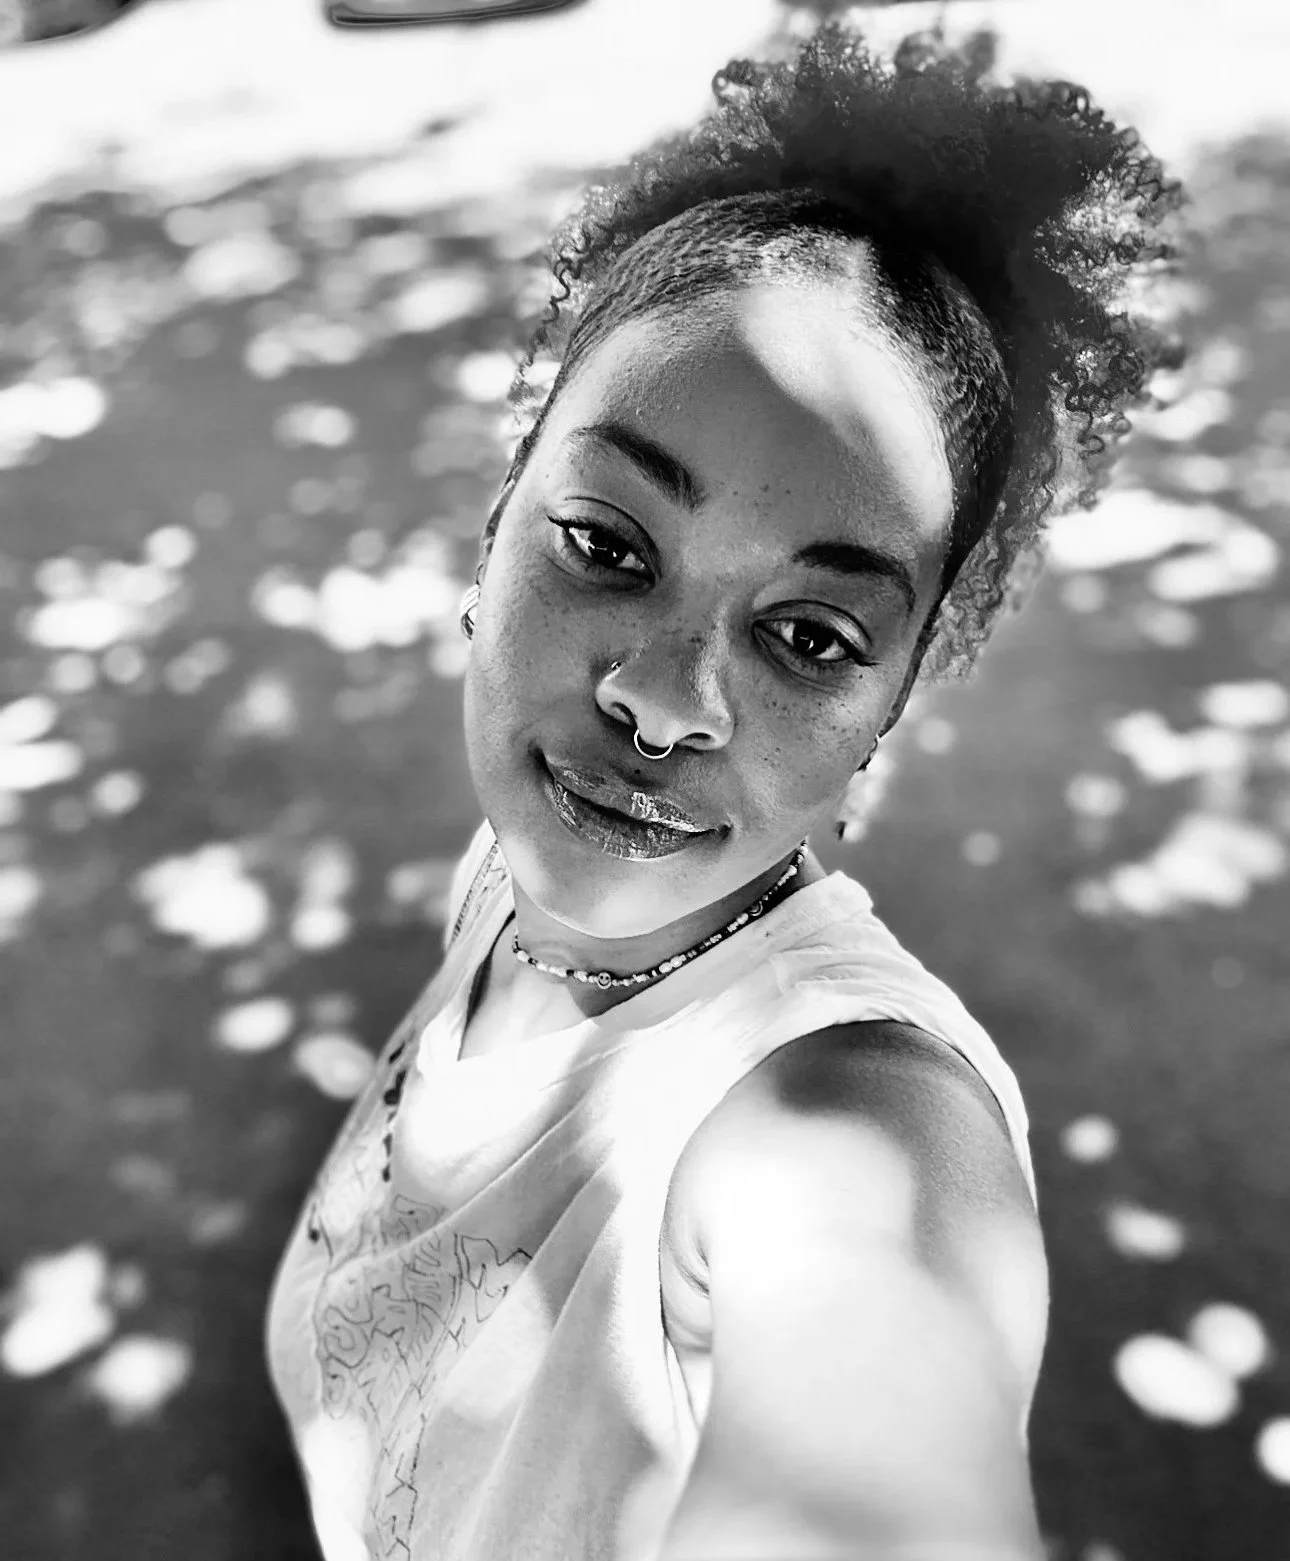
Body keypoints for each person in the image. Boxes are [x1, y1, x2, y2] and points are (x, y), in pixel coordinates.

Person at [266, 20, 1182, 1561]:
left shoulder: (844, 1126)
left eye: (810, 637)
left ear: (890, 706)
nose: (662, 700)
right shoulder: (511, 878)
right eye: (606, 546)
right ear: (494, 526)